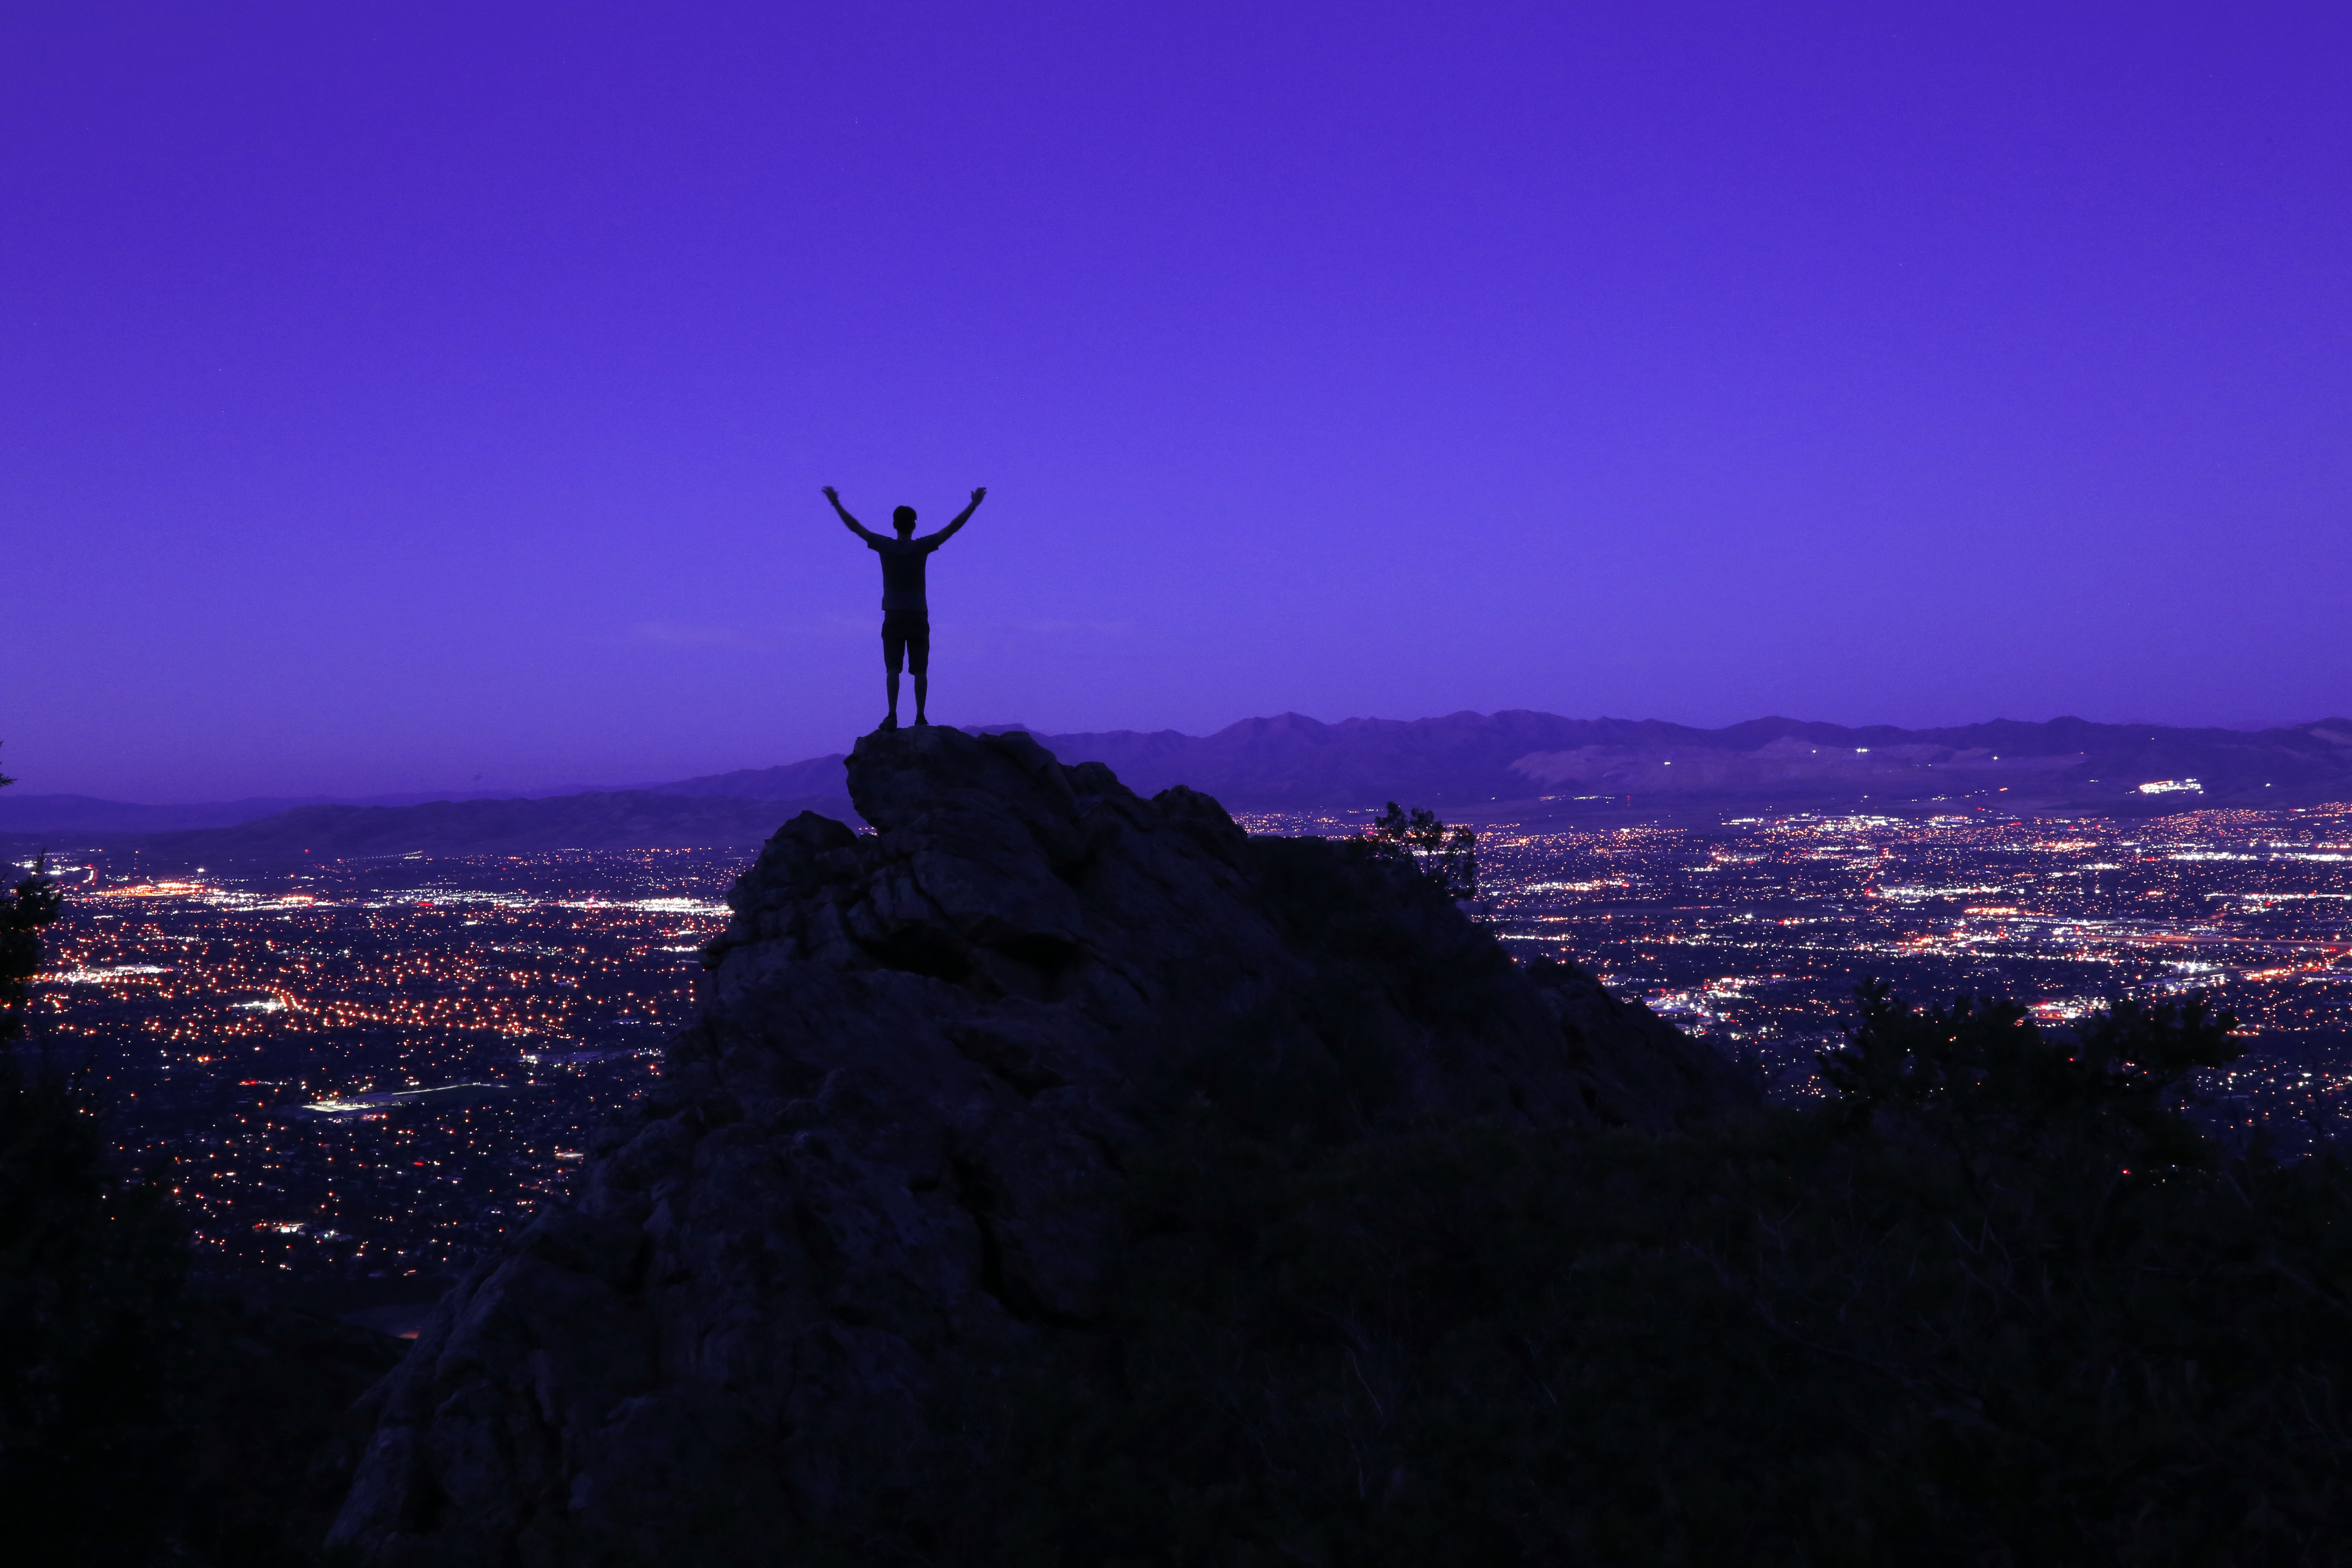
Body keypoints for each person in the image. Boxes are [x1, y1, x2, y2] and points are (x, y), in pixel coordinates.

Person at [823, 484, 986, 730]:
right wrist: (973, 505)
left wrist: (836, 504)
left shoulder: (886, 546)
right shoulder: (921, 547)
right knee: (920, 670)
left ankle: (892, 715)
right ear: (915, 525)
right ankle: (921, 717)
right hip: (918, 616)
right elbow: (951, 530)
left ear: (894, 525)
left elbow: (856, 528)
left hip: (894, 615)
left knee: (893, 669)